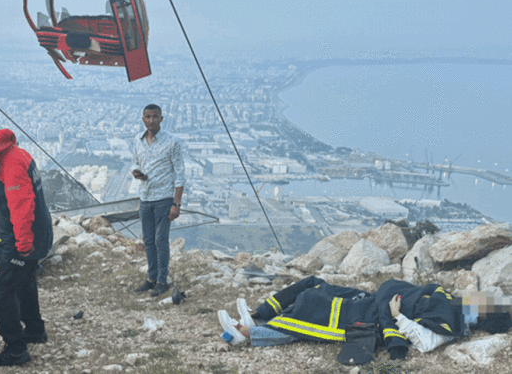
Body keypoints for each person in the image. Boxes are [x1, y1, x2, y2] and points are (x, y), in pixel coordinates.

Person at [218, 276, 512, 360]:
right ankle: (260, 315)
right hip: (374, 300)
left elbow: (424, 342)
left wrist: (398, 317)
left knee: (313, 314)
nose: (480, 297)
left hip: (373, 317)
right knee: (313, 285)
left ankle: (249, 334)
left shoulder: (453, 325)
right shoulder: (450, 301)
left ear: (482, 316)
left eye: (485, 303)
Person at [0, 124, 53, 367]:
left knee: (4, 291)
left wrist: (23, 244)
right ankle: (35, 329)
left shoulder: (11, 162)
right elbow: (9, 196)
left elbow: (22, 204)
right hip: (28, 233)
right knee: (25, 279)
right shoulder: (12, 155)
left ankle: (15, 349)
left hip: (24, 237)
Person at [131, 104, 186, 297]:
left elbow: (180, 174)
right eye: (147, 117)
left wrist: (176, 204)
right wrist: (138, 174)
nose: (151, 120)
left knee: (161, 240)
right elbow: (137, 162)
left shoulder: (173, 142)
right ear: (143, 119)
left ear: (161, 119)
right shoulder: (138, 140)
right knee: (148, 241)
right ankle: (151, 278)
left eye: (155, 117)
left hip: (164, 198)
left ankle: (162, 280)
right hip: (145, 196)